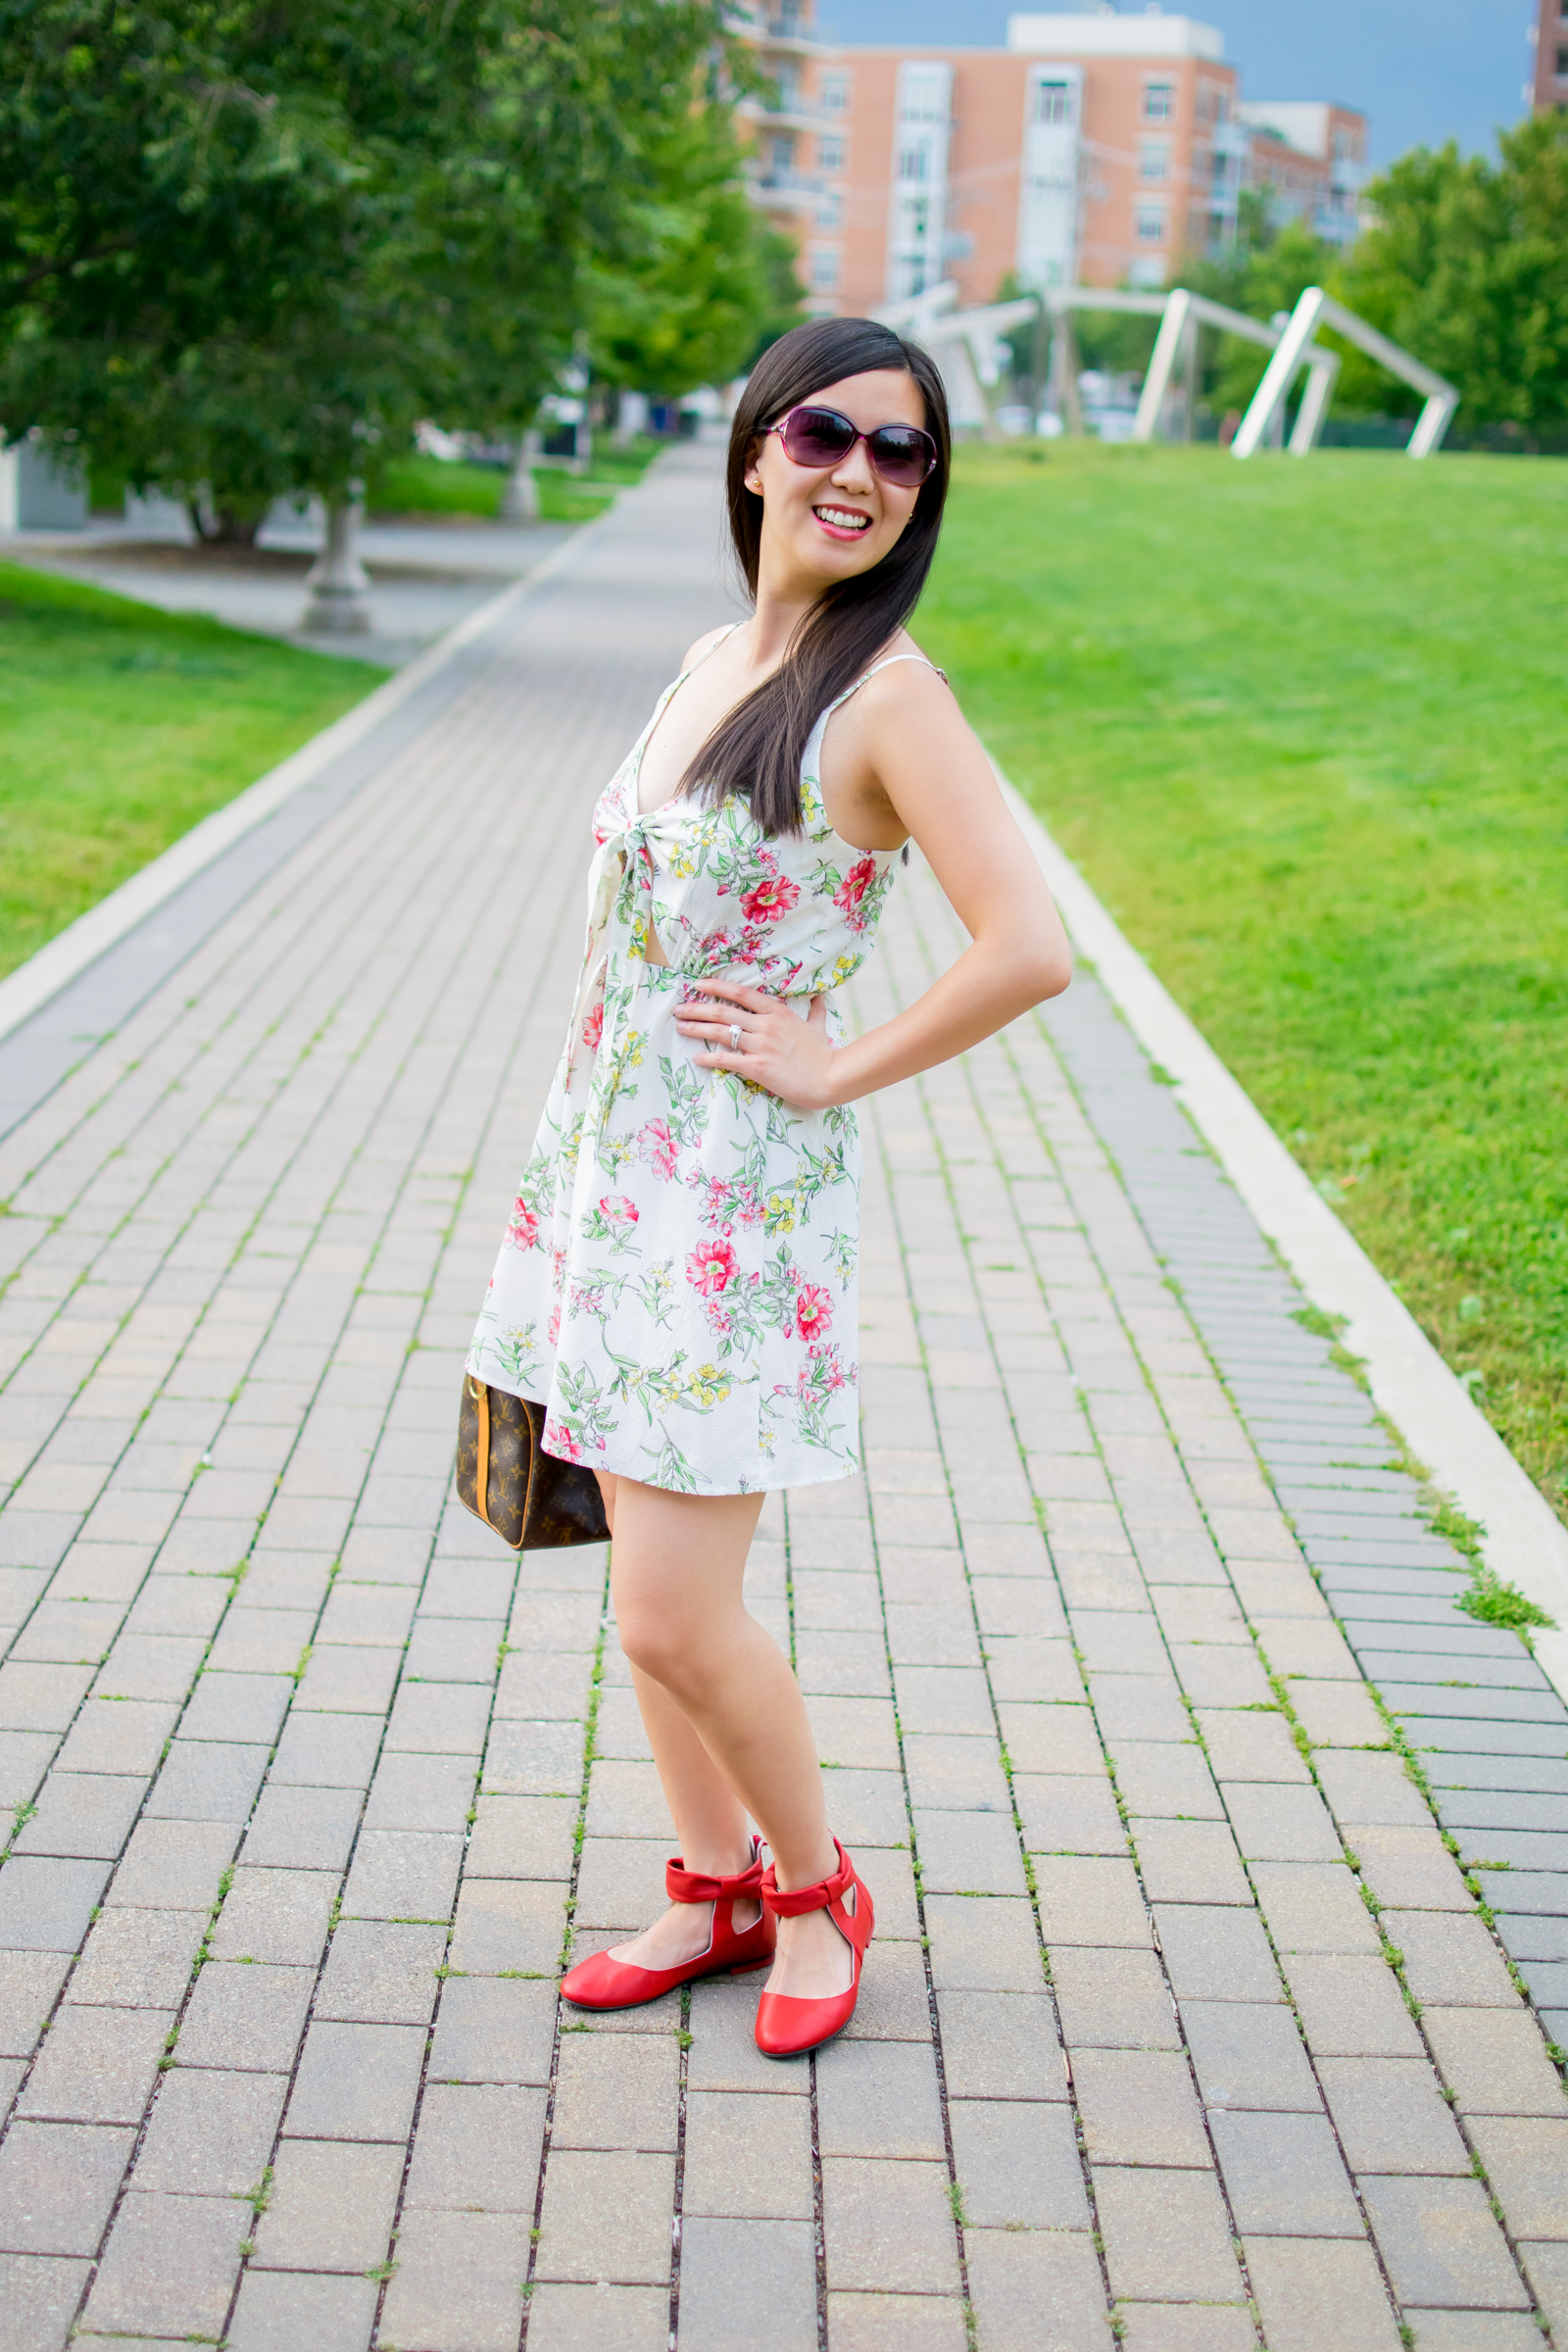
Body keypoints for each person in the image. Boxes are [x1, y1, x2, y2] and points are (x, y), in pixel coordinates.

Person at [466, 315, 1072, 2060]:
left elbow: (1028, 947)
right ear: (753, 452)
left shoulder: (891, 699)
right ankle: (712, 1884)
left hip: (728, 1208)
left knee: (675, 1604)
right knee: (630, 1586)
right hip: (606, 1169)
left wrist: (832, 1058)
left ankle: (817, 1895)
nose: (859, 476)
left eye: (901, 454)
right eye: (826, 434)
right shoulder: (704, 659)